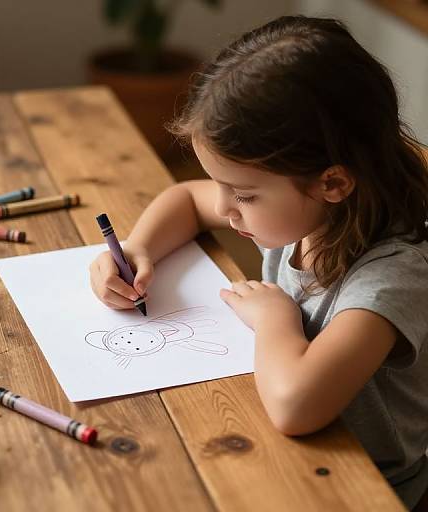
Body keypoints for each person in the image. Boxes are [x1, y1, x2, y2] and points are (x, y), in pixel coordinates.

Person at [89, 16, 428, 509]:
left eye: (244, 195)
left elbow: (296, 407)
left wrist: (275, 319)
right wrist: (138, 249)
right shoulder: (301, 213)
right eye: (222, 185)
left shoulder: (391, 278)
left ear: (332, 183)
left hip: (365, 489)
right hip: (278, 449)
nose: (225, 208)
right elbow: (185, 198)